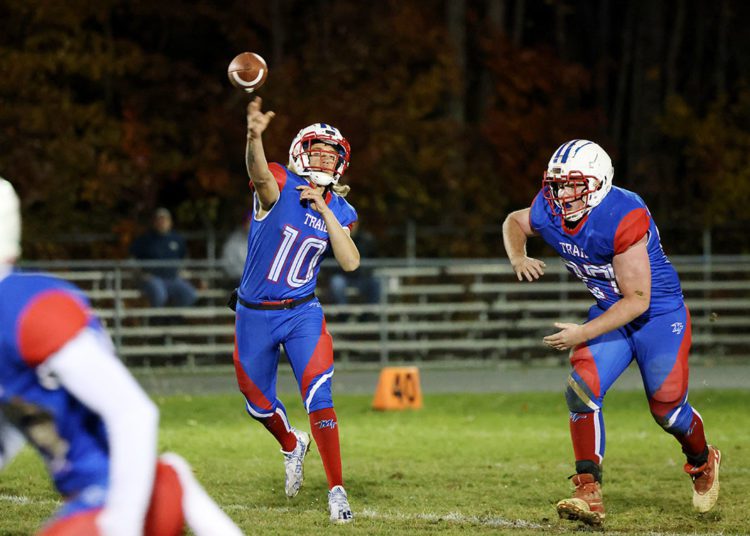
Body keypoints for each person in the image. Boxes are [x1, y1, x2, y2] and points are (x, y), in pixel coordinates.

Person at [0, 178, 242, 536]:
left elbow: (133, 412)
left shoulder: (27, 306)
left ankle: (165, 482)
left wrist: (120, 524)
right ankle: (169, 479)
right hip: (91, 492)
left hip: (114, 494)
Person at [502, 140, 721, 526]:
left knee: (668, 411)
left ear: (599, 183)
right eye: (558, 184)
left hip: (657, 317)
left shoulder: (622, 215)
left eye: (574, 184)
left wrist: (581, 332)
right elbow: (514, 222)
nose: (563, 194)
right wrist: (518, 256)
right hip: (609, 313)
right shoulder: (549, 208)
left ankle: (703, 461)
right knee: (581, 387)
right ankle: (588, 488)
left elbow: (637, 300)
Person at [230, 97, 358, 523]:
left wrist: (323, 207)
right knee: (256, 401)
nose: (323, 158)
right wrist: (254, 137)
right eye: (316, 150)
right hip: (254, 312)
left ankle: (337, 490)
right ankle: (290, 443)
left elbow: (350, 261)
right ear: (300, 153)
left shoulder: (342, 209)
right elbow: (260, 174)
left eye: (330, 153)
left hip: (302, 311)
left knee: (319, 395)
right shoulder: (281, 182)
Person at [129, 208, 197, 308]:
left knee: (190, 295)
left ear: (170, 222)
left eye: (165, 219)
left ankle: (173, 317)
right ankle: (158, 319)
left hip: (173, 278)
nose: (162, 222)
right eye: (159, 219)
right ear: (154, 222)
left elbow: (185, 258)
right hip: (152, 278)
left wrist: (182, 271)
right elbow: (132, 258)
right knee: (159, 295)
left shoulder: (177, 239)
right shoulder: (145, 239)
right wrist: (140, 275)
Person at [328, 220, 380, 307]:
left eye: (353, 223)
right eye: (348, 223)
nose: (352, 226)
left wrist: (365, 271)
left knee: (376, 282)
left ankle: (369, 314)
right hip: (342, 276)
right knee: (336, 282)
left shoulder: (366, 239)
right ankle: (344, 314)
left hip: (361, 277)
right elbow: (329, 260)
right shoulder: (334, 239)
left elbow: (374, 260)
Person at [221, 212, 251, 285]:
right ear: (244, 224)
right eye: (249, 222)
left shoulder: (262, 239)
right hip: (238, 279)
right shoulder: (233, 241)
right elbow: (228, 264)